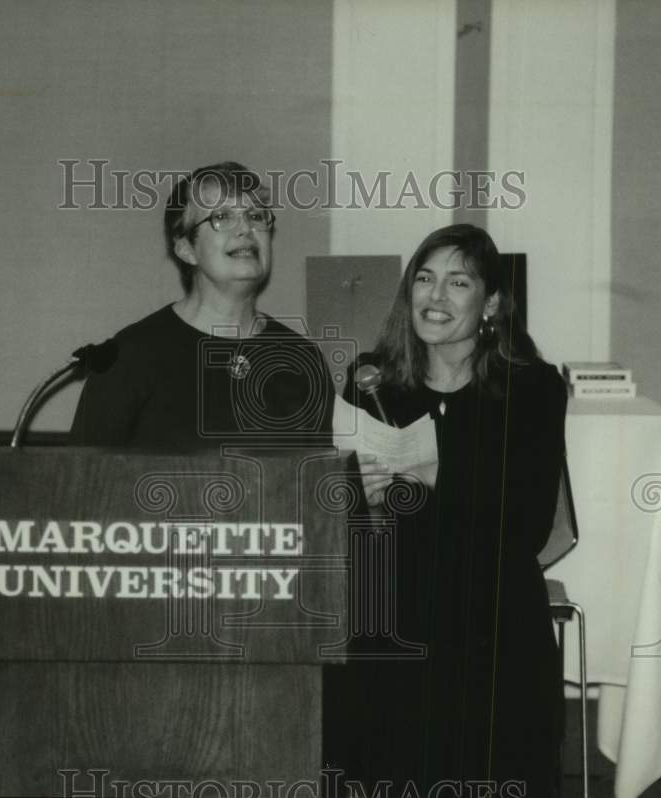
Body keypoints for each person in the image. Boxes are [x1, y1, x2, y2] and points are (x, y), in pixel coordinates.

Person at [337, 224, 566, 796]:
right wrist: (354, 493)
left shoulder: (532, 388)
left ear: (490, 302)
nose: (434, 298)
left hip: (489, 611)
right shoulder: (371, 381)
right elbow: (333, 518)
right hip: (396, 603)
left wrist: (438, 472)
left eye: (457, 283)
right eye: (424, 279)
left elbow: (531, 524)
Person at [70, 162, 333, 449]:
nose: (245, 229)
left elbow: (317, 484)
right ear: (186, 249)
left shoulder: (303, 360)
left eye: (256, 216)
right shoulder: (130, 356)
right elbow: (81, 485)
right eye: (222, 217)